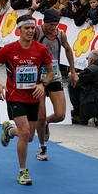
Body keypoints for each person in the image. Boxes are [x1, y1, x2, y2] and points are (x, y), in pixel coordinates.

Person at [0, 15, 54, 185]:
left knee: (29, 137)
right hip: (15, 97)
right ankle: (23, 171)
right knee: (25, 133)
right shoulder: (9, 49)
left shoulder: (41, 50)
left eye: (32, 28)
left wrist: (43, 85)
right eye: (27, 28)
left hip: (33, 98)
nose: (30, 31)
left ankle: (9, 131)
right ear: (19, 30)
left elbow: (51, 72)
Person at [30, 9, 79, 161]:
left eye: (56, 24)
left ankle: (46, 123)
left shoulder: (60, 35)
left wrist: (73, 71)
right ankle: (42, 146)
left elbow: (68, 49)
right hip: (38, 79)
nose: (53, 28)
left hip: (54, 77)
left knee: (60, 115)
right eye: (51, 25)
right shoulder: (37, 33)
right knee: (40, 115)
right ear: (44, 22)